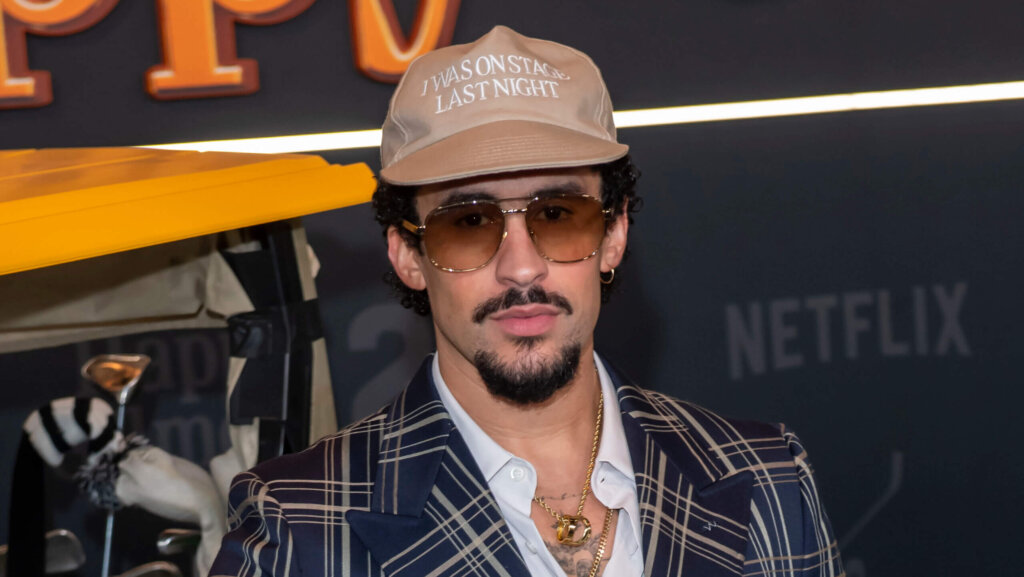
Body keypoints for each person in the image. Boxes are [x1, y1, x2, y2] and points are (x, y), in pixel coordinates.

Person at [210, 25, 843, 577]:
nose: (521, 267)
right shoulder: (301, 523)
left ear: (614, 235)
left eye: (559, 214)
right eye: (469, 223)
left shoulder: (763, 478)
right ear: (408, 255)